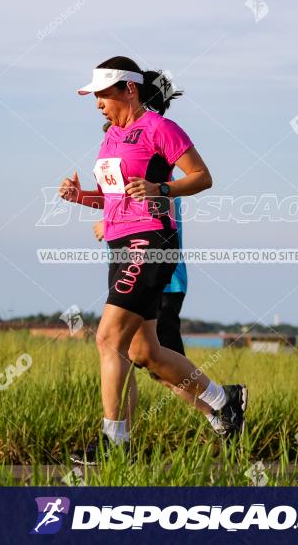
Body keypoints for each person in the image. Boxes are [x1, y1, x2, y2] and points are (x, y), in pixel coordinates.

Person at [59, 56, 246, 464]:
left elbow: (202, 176)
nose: (97, 104)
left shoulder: (160, 128)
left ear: (129, 89)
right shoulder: (109, 138)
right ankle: (223, 402)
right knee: (144, 352)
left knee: (108, 338)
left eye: (102, 95)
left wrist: (162, 187)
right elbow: (114, 199)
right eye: (94, 97)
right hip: (120, 244)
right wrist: (81, 198)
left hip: (152, 242)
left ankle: (115, 444)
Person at [93, 185, 223, 433]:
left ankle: (222, 409)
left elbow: (162, 208)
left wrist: (108, 224)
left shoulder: (156, 172)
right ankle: (120, 438)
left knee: (152, 362)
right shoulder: (130, 169)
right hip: (136, 276)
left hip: (161, 280)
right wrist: (79, 197)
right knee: (128, 354)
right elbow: (119, 202)